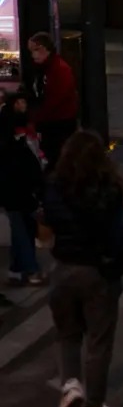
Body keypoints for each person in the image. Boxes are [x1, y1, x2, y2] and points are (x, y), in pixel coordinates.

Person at [43, 130, 123, 407]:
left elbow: (45, 230)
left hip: (63, 268)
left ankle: (70, 384)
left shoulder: (55, 189)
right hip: (97, 271)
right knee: (99, 341)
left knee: (67, 334)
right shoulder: (108, 190)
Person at [0, 89, 45, 286]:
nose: (23, 106)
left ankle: (16, 269)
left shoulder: (25, 128)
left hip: (20, 187)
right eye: (19, 102)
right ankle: (32, 269)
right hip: (15, 187)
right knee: (21, 227)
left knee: (23, 227)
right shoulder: (10, 132)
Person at [28, 32, 79, 168]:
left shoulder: (60, 70)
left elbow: (55, 100)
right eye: (31, 51)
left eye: (37, 50)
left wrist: (36, 118)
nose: (34, 55)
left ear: (47, 49)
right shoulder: (43, 69)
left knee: (58, 160)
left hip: (59, 124)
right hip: (51, 122)